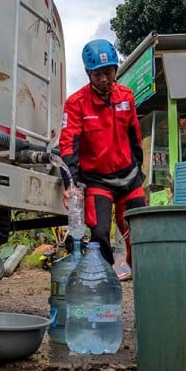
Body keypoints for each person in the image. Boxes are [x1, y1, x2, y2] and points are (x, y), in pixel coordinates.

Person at [58, 39, 147, 278]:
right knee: (99, 233)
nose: (105, 79)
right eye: (98, 74)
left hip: (129, 175)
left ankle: (139, 272)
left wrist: (139, 169)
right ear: (88, 73)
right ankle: (106, 278)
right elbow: (68, 145)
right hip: (98, 180)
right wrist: (71, 183)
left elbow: (135, 135)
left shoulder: (126, 96)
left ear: (116, 70)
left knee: (140, 229)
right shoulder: (76, 103)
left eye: (109, 72)